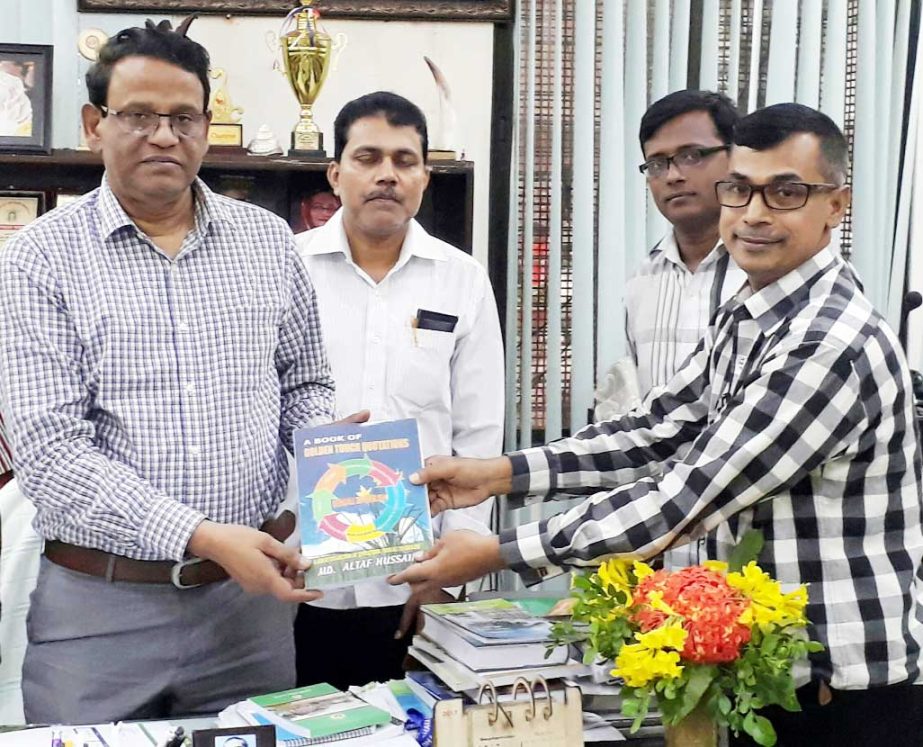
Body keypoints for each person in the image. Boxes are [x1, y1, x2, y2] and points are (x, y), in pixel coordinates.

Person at [391, 103, 923, 746]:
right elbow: (658, 430)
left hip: (842, 693)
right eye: (740, 189)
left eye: (786, 193)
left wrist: (504, 552)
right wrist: (496, 475)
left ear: (835, 206)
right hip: (770, 675)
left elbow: (689, 492)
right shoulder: (751, 311)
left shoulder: (832, 342)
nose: (754, 214)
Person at [0, 19, 336, 723]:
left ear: (207, 127)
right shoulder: (36, 260)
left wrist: (333, 472)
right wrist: (202, 535)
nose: (163, 135)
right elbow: (50, 454)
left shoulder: (268, 241)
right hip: (99, 613)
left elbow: (305, 383)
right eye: (139, 116)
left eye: (183, 117)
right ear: (95, 125)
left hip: (249, 609)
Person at [294, 91, 503, 689]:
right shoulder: (286, 266)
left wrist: (453, 563)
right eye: (367, 157)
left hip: (416, 574)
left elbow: (479, 432)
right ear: (335, 174)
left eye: (404, 160)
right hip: (298, 578)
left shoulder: (460, 279)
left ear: (425, 177)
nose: (387, 174)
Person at [624, 90, 745, 569]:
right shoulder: (641, 280)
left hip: (749, 552)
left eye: (692, 156)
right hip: (658, 547)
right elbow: (647, 420)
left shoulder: (769, 275)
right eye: (657, 163)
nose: (673, 174)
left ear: (735, 159)